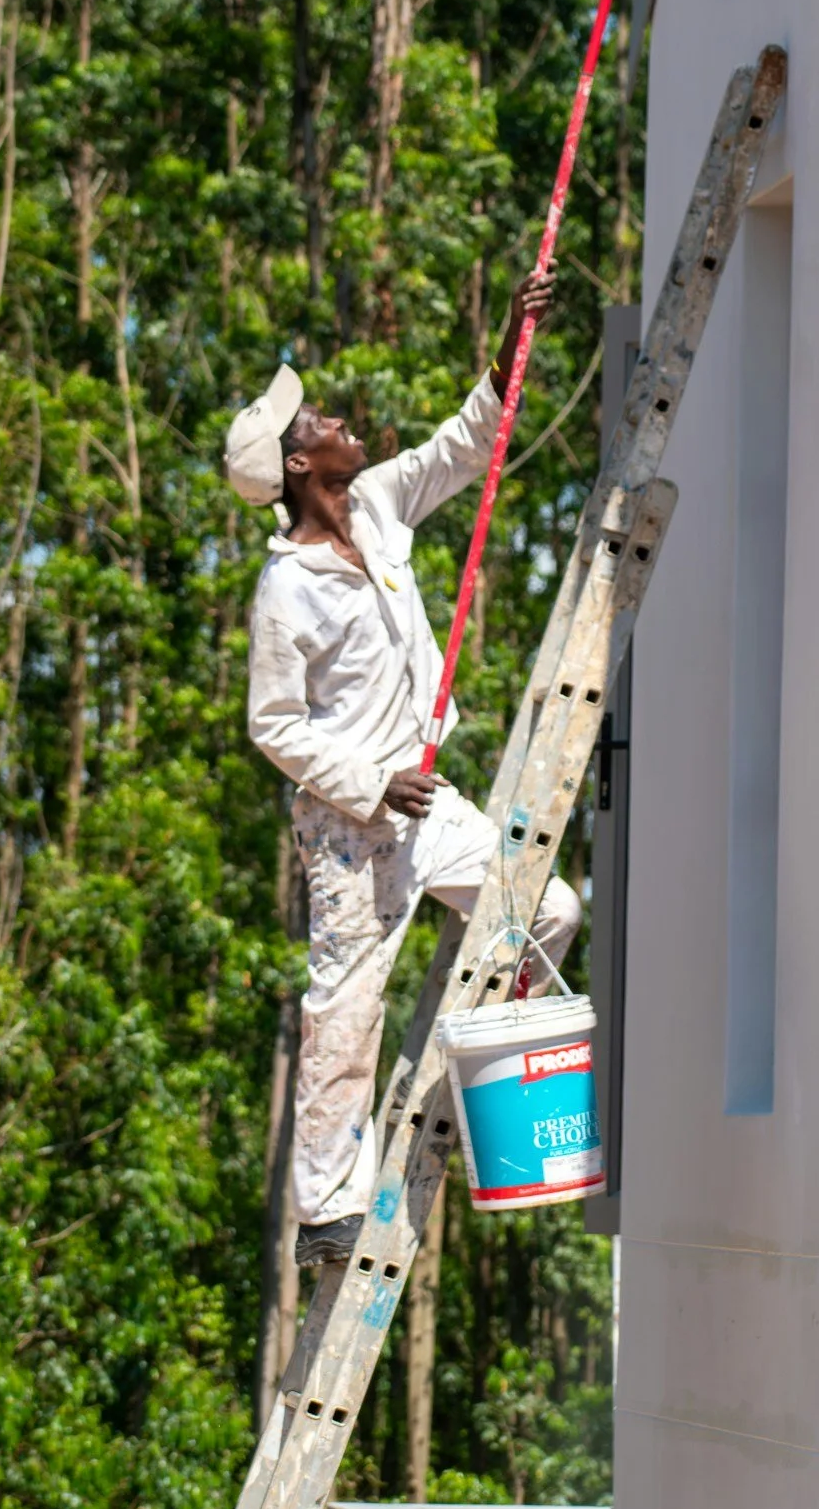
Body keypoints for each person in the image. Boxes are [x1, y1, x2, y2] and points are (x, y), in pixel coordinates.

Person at [224, 267, 581, 1266]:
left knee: (546, 910)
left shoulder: (377, 504)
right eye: (321, 420)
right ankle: (325, 1209)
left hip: (426, 806)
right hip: (353, 829)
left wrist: (512, 341)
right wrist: (370, 782)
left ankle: (468, 1068)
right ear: (301, 464)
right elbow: (274, 725)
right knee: (345, 1007)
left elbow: (466, 446)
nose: (338, 418)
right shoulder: (285, 590)